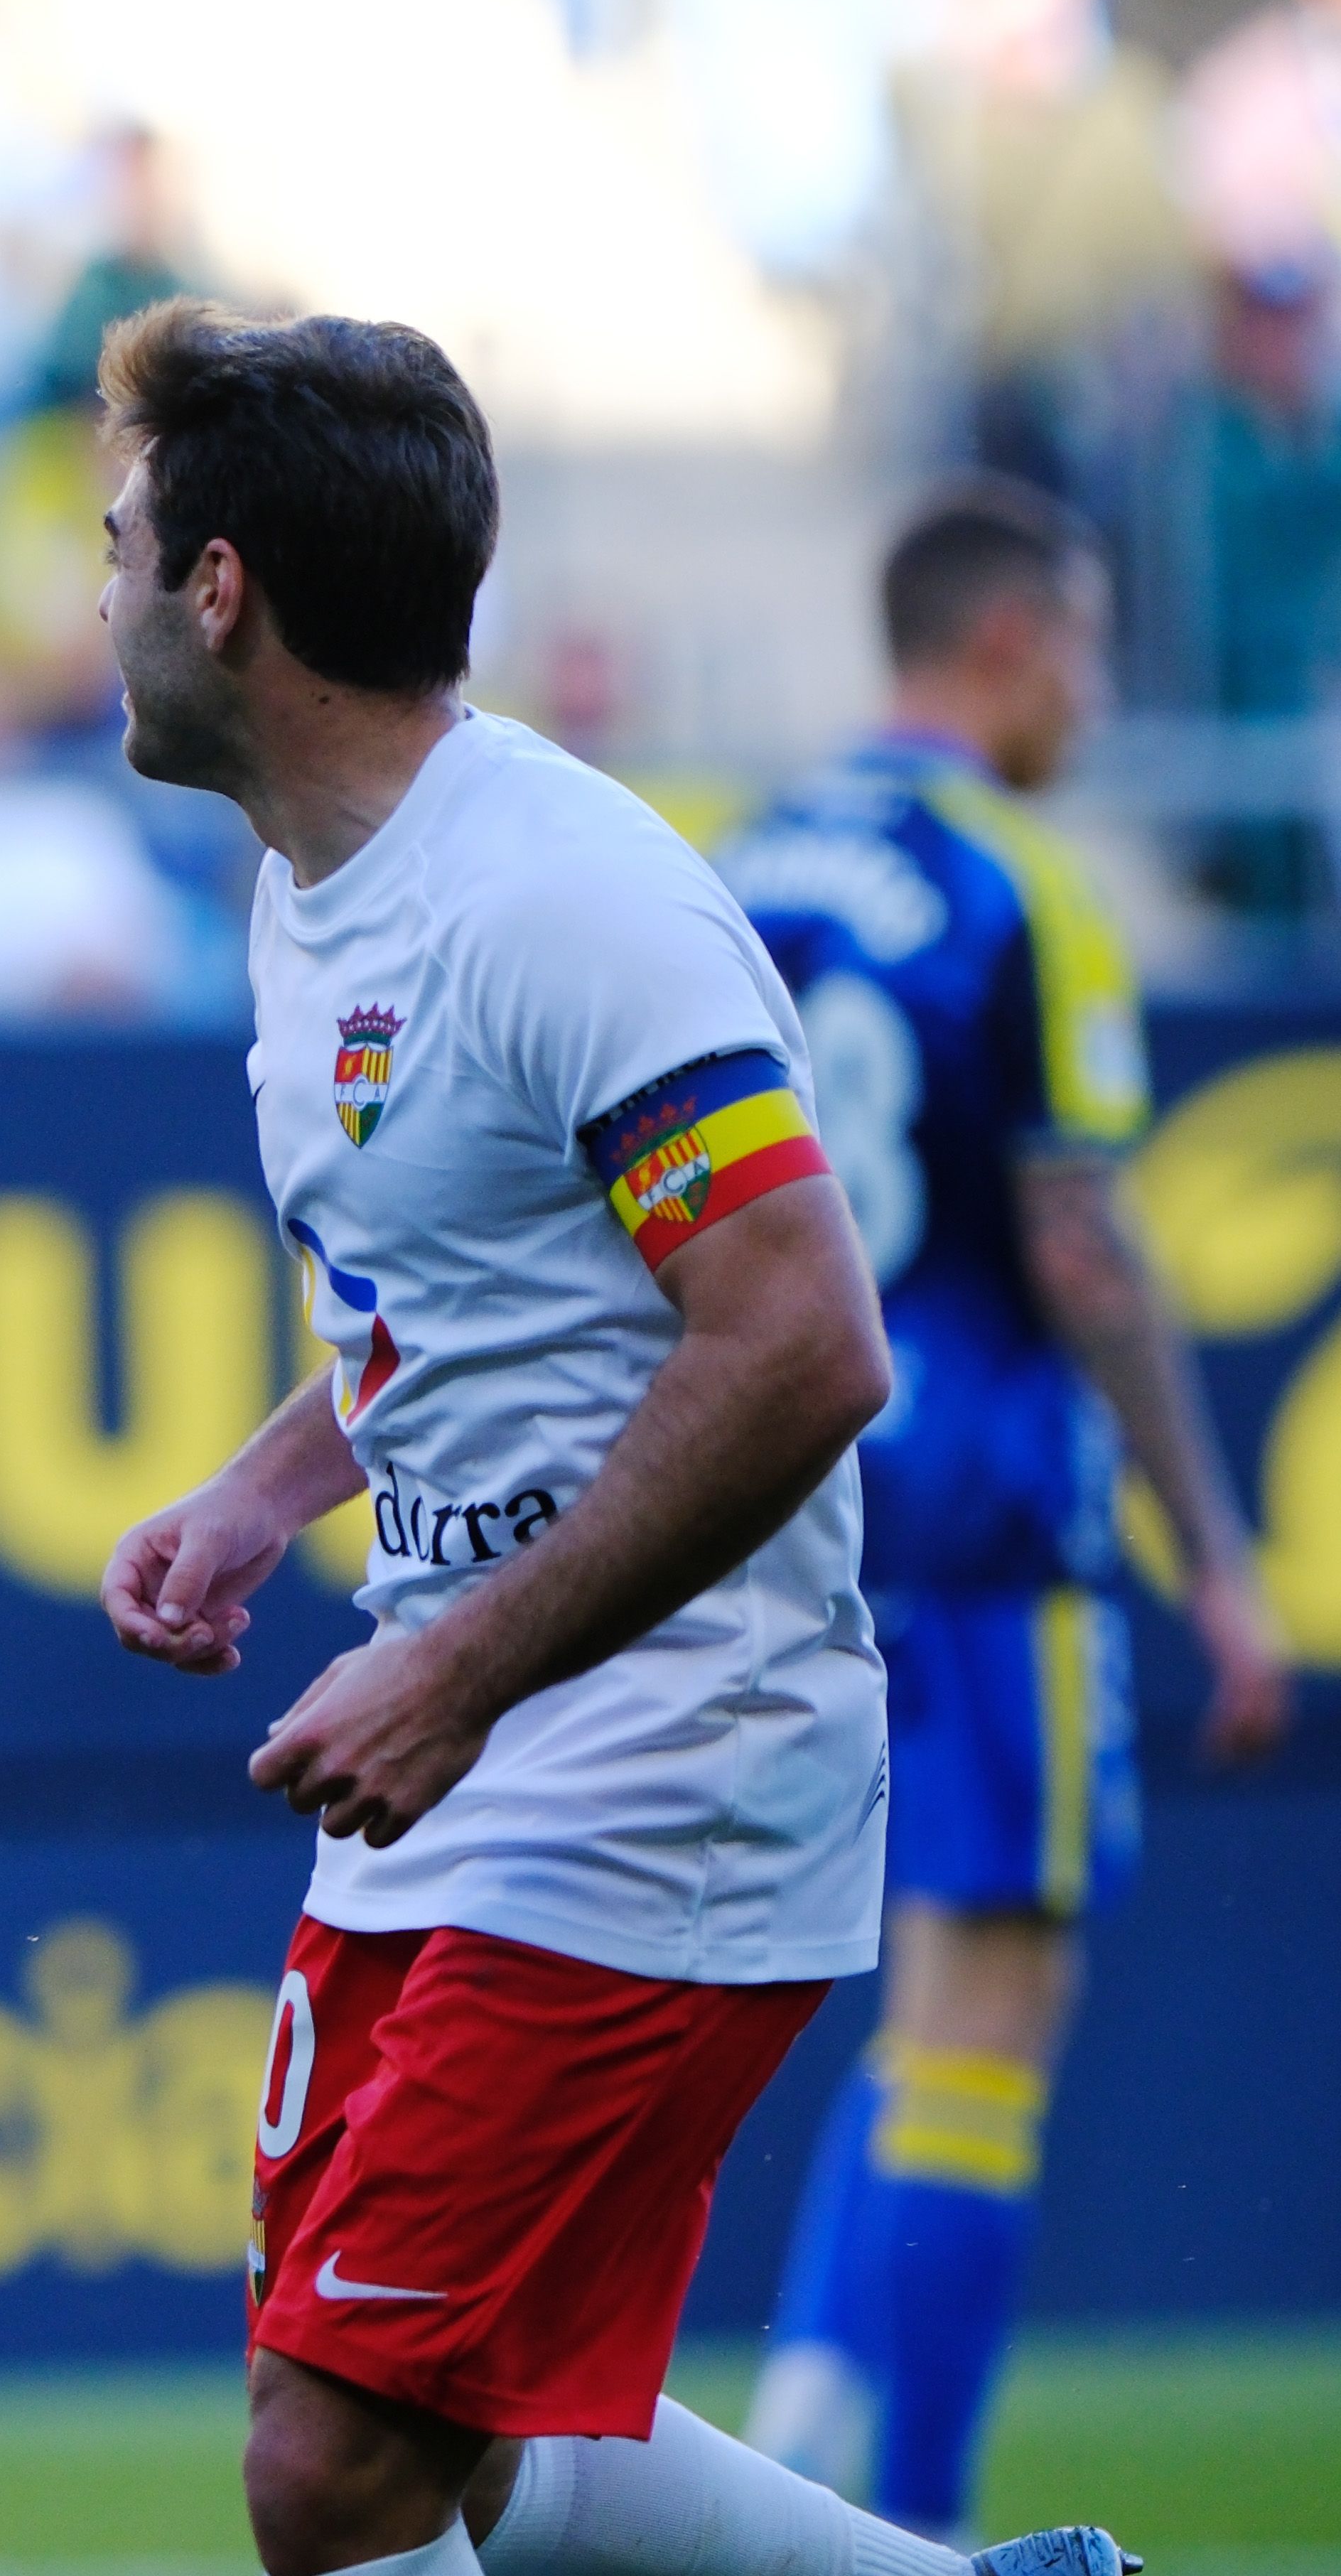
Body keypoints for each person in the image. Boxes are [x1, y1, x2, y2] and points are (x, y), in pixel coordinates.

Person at [76, 298, 1137, 2576]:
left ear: (222, 591)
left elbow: (806, 1344)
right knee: (431, 2434)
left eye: (122, 547)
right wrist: (267, 1492)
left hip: (667, 1741)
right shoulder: (308, 886)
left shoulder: (567, 896)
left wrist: (457, 1670)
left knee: (332, 2461)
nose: (102, 599)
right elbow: (459, 1297)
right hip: (476, 1734)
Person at [727, 481, 1299, 2537]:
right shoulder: (1019, 884)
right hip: (985, 1510)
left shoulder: (740, 870)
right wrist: (1216, 1558)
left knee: (913, 2014)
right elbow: (1081, 1245)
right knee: (990, 2008)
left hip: (785, 1499)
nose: (1096, 692)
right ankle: (927, 2528)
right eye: (1080, 645)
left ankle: (804, 2433)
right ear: (1001, 644)